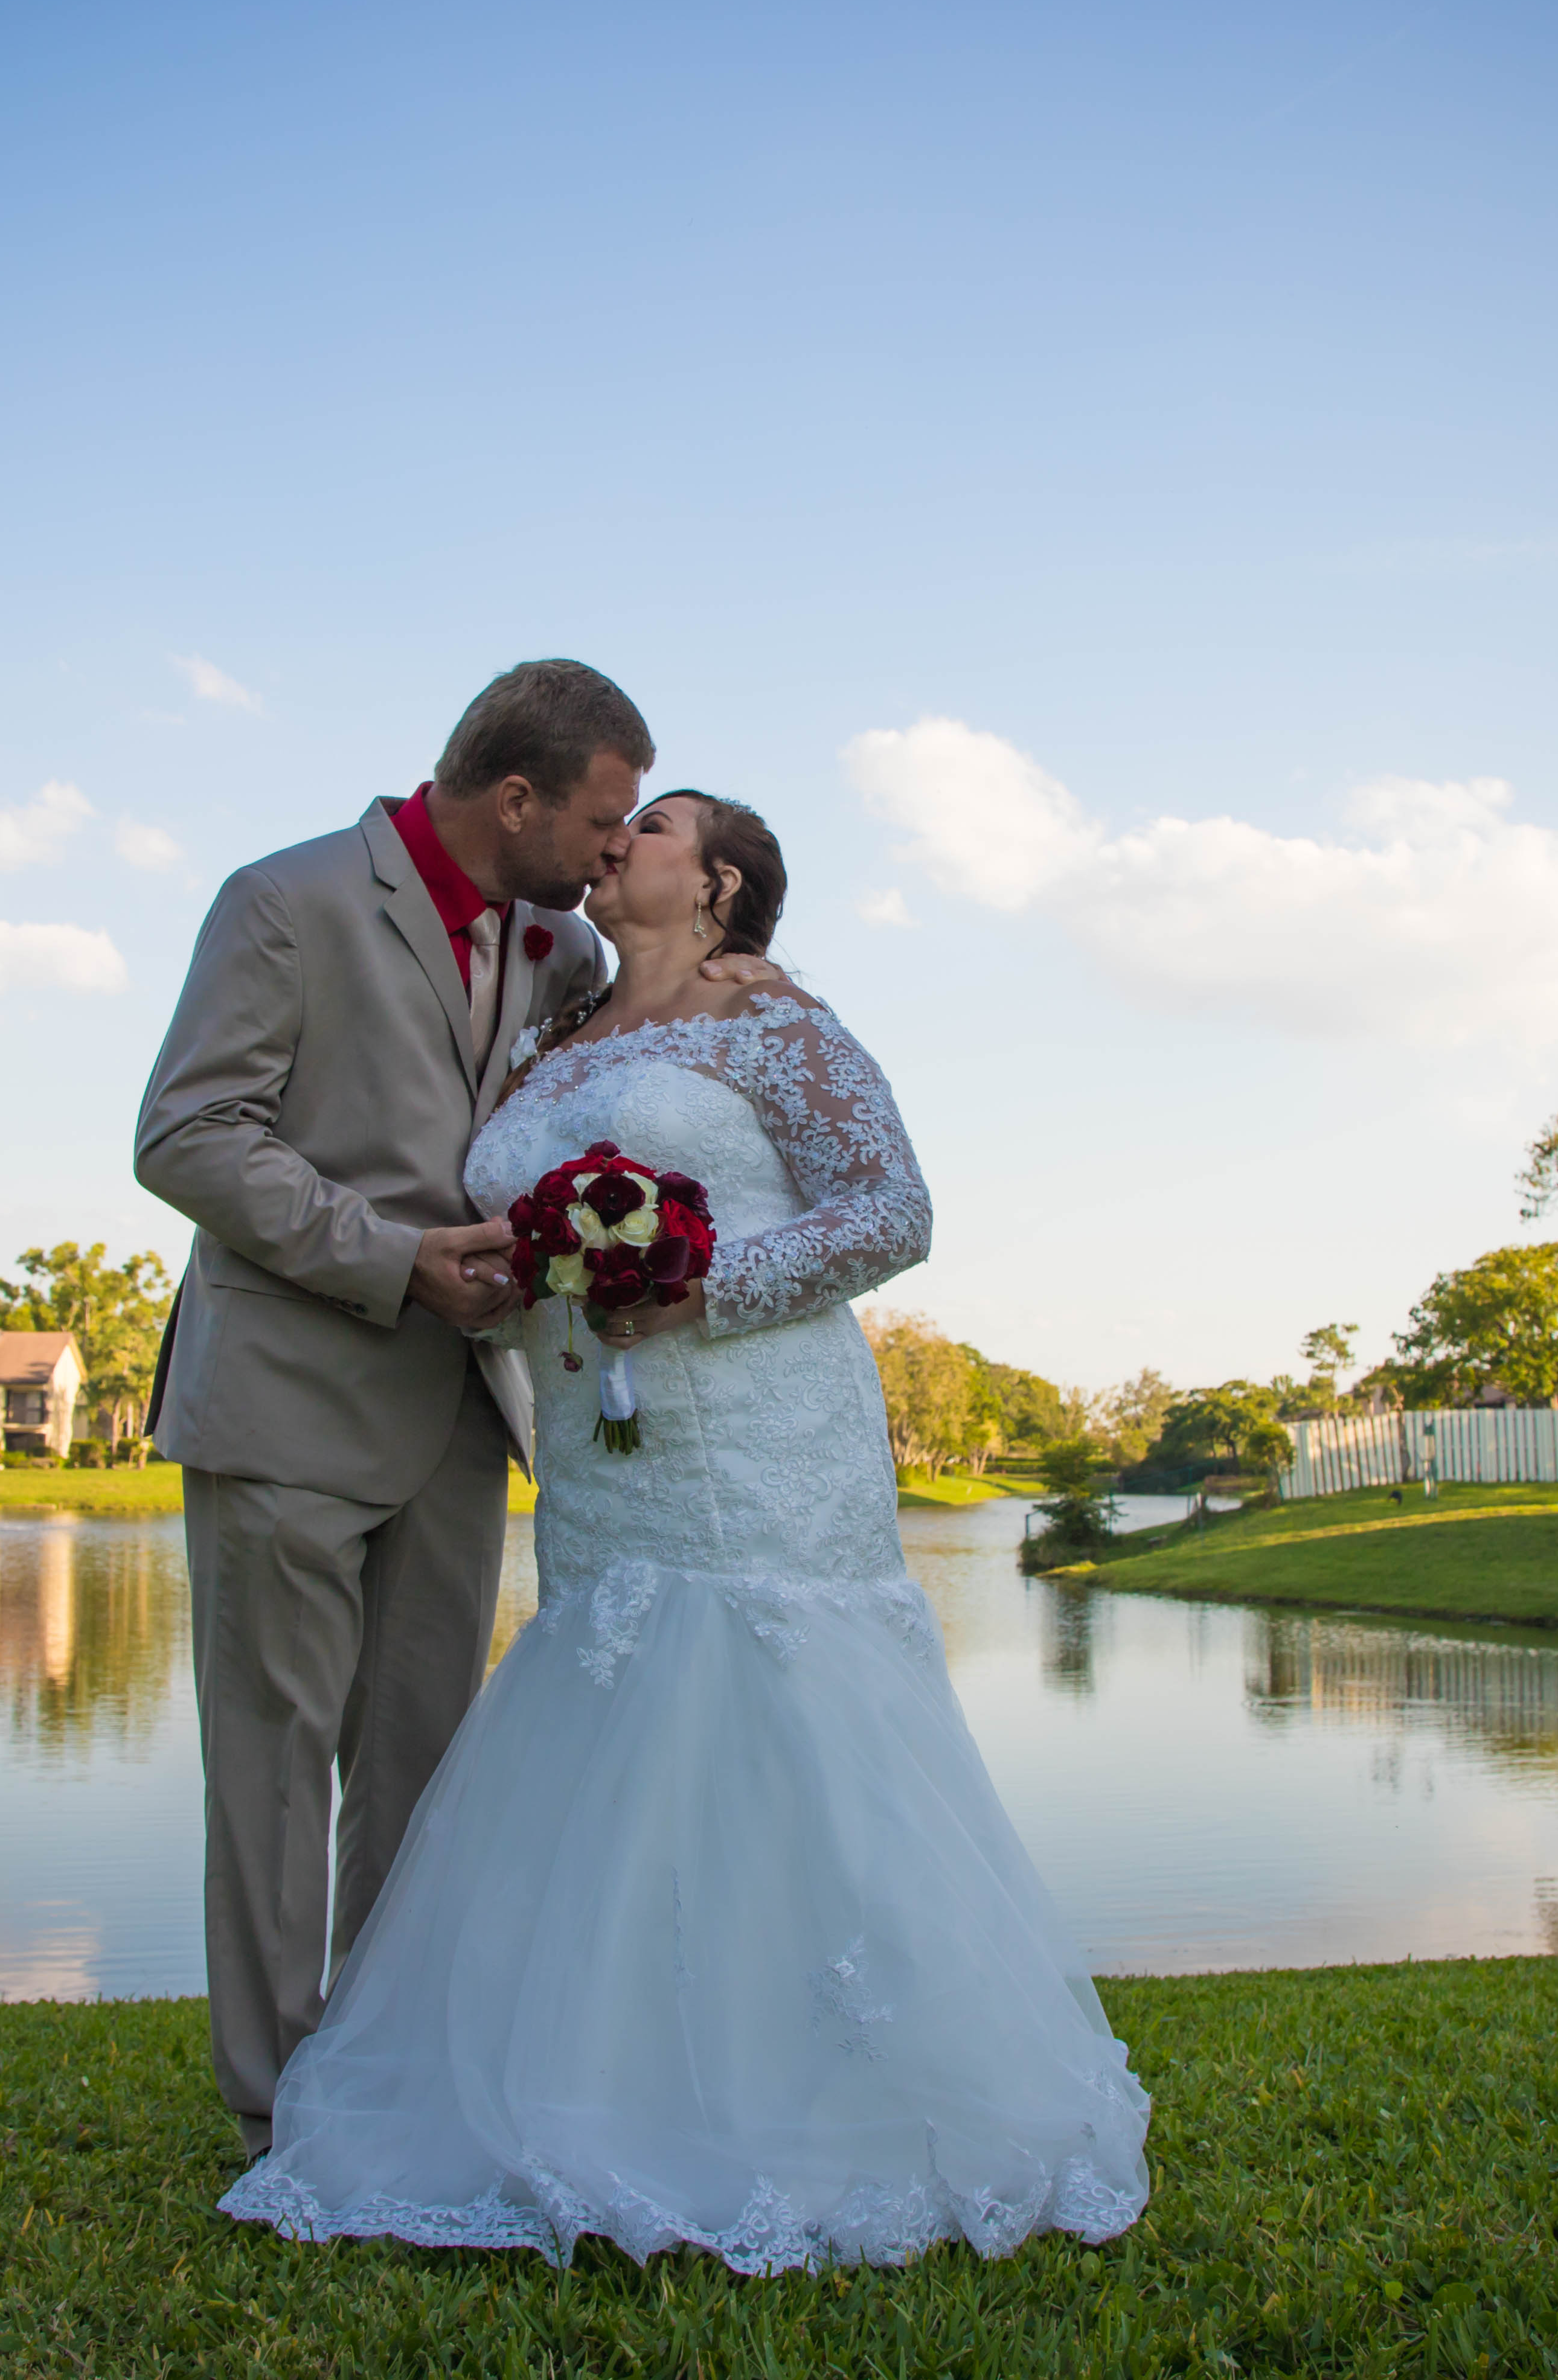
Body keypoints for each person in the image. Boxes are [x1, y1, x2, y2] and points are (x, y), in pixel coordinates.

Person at [219, 790, 1153, 2272]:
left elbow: (889, 1212)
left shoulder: (779, 1026)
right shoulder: (553, 1037)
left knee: (771, 1713)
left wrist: (701, 1285)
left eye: (650, 828)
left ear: (720, 884)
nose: (617, 843)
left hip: (759, 1419)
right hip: (599, 1438)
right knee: (612, 1712)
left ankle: (837, 2101)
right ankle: (597, 2091)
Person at [134, 659, 641, 2160]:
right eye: (601, 824)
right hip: (287, 1394)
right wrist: (389, 1257)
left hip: (460, 1414)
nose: (613, 853)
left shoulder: (558, 950)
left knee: (421, 1774)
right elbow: (186, 1135)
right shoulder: (284, 901)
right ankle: (273, 2111)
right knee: (274, 1777)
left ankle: (378, 2074)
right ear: (515, 799)